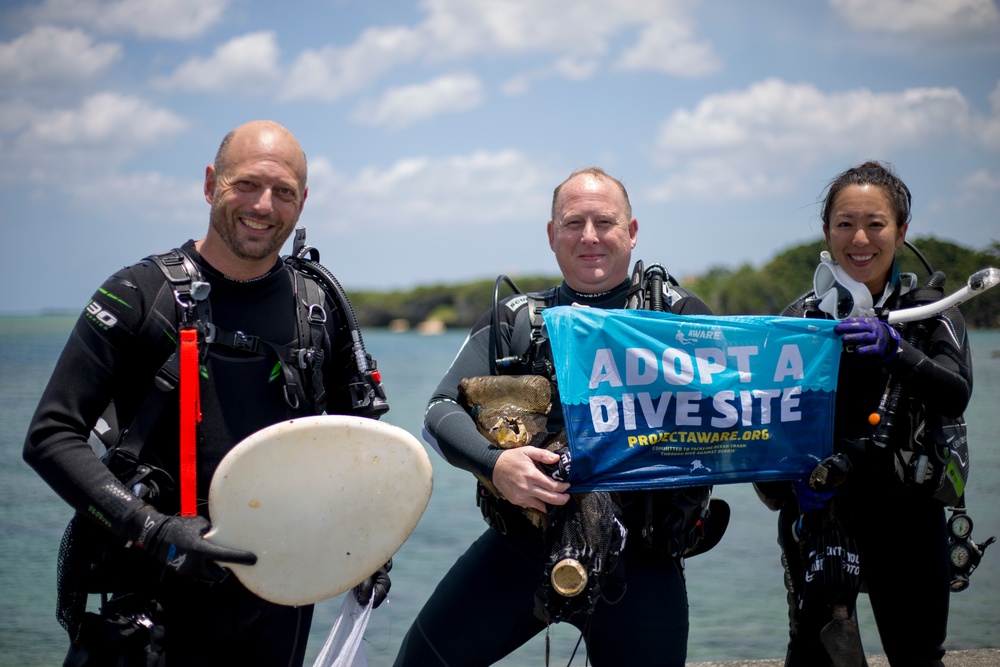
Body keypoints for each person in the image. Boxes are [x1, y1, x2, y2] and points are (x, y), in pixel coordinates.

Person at [24, 120, 391, 667]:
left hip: (280, 602)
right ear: (209, 183)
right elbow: (51, 437)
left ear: (303, 201)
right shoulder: (138, 295)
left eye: (284, 192)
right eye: (246, 184)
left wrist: (367, 538)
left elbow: (356, 449)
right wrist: (157, 529)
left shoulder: (321, 307)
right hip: (155, 603)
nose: (264, 206)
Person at [394, 167, 717, 667]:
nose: (589, 236)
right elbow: (438, 413)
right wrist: (494, 465)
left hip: (643, 562)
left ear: (631, 233)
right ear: (551, 235)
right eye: (573, 223)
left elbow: (752, 416)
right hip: (522, 547)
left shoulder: (683, 322)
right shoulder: (514, 322)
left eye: (605, 222)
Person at [754, 160, 974, 666]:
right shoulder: (799, 319)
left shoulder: (932, 311)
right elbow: (760, 419)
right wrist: (788, 489)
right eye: (845, 224)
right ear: (827, 232)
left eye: (876, 224)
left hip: (909, 517)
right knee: (814, 656)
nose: (860, 239)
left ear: (900, 232)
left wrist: (897, 350)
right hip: (819, 513)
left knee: (918, 655)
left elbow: (956, 393)